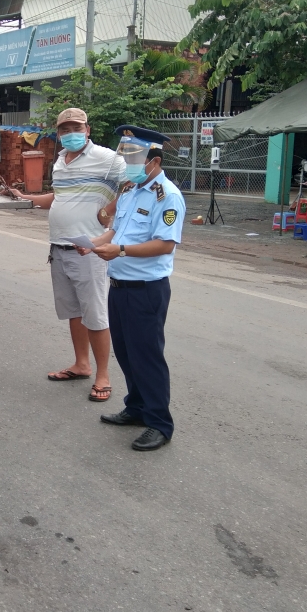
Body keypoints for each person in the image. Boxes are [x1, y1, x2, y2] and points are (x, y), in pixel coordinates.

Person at [5, 107, 126, 401]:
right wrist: (27, 199)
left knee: (95, 315)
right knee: (74, 312)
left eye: (77, 128)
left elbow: (135, 183)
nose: (71, 134)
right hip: (59, 247)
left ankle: (103, 375)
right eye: (65, 129)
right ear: (59, 133)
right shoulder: (60, 161)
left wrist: (109, 209)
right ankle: (81, 364)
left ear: (88, 129)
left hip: (90, 250)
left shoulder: (108, 159)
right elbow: (60, 197)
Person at [83, 125, 185, 451]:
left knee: (147, 356)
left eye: (135, 158)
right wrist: (92, 243)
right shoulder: (128, 189)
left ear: (154, 161)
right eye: (125, 157)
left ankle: (159, 422)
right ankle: (137, 407)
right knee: (127, 353)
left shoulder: (167, 196)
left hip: (146, 289)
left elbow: (165, 244)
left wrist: (122, 252)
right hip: (119, 285)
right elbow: (117, 232)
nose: (129, 164)